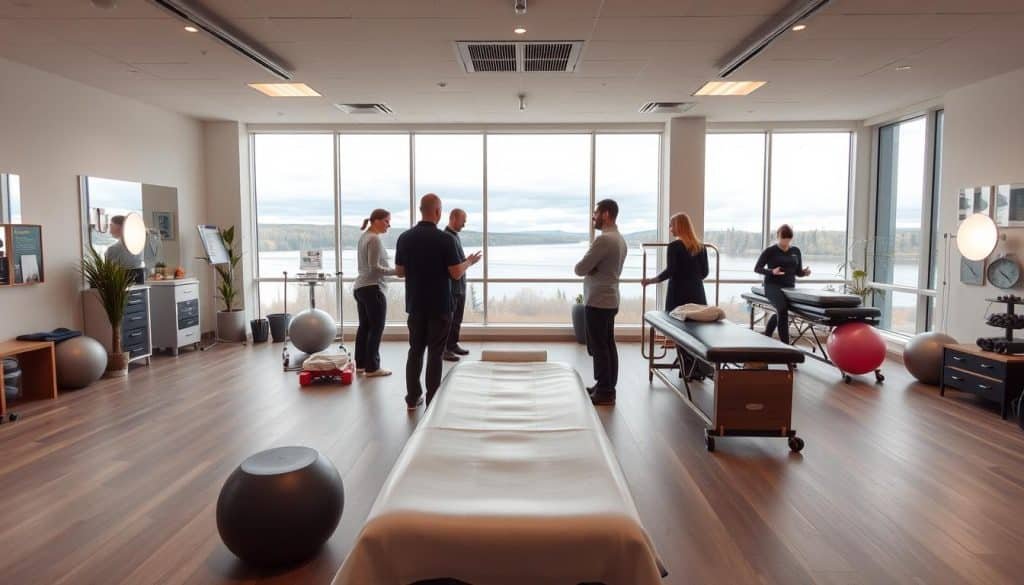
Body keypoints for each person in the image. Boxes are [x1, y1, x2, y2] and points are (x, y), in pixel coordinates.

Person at [395, 194, 481, 409]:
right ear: (437, 212)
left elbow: (399, 272)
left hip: (415, 304)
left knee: (415, 350)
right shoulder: (446, 240)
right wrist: (468, 262)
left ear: (421, 210)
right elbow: (454, 273)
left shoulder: (404, 238)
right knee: (435, 352)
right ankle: (433, 399)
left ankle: (412, 397)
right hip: (440, 305)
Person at [641, 212, 710, 380]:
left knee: (679, 331)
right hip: (697, 292)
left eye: (671, 225)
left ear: (678, 227)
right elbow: (705, 273)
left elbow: (670, 271)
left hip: (678, 293)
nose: (669, 229)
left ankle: (686, 366)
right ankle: (695, 368)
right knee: (695, 332)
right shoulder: (701, 247)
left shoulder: (674, 247)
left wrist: (652, 280)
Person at [574, 199, 627, 406]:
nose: (593, 217)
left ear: (605, 214)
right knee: (607, 344)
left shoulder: (604, 240)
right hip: (611, 298)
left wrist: (590, 269)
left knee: (600, 346)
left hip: (598, 300)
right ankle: (606, 387)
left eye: (595, 213)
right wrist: (593, 269)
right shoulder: (620, 239)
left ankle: (604, 390)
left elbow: (580, 268)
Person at [354, 209, 397, 378]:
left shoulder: (364, 237)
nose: (389, 225)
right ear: (376, 221)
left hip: (360, 288)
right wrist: (397, 272)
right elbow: (375, 268)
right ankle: (372, 368)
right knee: (376, 328)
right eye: (387, 221)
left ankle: (361, 364)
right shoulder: (374, 239)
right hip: (372, 289)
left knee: (365, 327)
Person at [753, 224, 811, 344]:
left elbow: (798, 272)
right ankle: (786, 347)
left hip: (789, 287)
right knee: (782, 310)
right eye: (783, 239)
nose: (785, 242)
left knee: (781, 312)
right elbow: (757, 268)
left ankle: (767, 336)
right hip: (772, 286)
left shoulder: (796, 251)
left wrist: (804, 273)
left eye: (788, 239)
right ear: (778, 237)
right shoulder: (770, 251)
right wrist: (771, 271)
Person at [443, 208, 471, 362]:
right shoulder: (447, 238)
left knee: (457, 318)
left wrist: (467, 261)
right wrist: (469, 262)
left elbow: (457, 261)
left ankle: (452, 344)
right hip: (452, 287)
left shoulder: (455, 237)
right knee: (450, 319)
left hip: (459, 286)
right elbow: (452, 267)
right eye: (463, 221)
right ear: (453, 218)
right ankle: (445, 349)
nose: (464, 225)